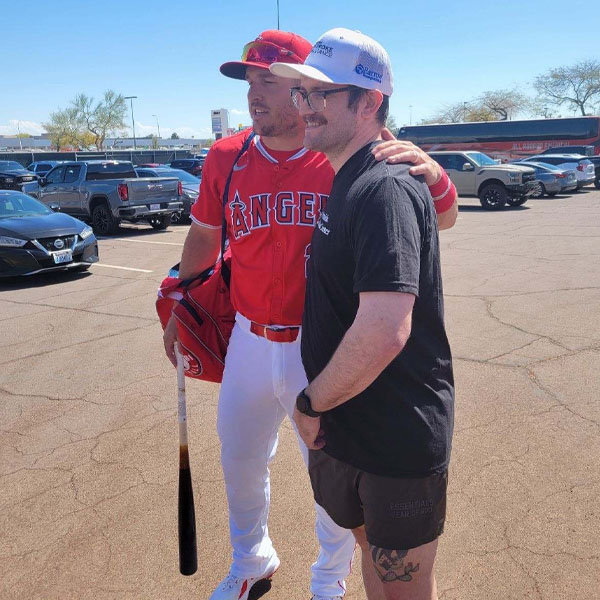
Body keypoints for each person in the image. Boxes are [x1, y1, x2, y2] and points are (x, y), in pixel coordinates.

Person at [163, 29, 457, 600]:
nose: (257, 93)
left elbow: (438, 218)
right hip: (249, 335)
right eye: (251, 81)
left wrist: (431, 169)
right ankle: (252, 561)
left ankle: (329, 578)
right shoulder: (228, 155)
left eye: (270, 80)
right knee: (240, 459)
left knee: (332, 476)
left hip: (323, 344)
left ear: (303, 87)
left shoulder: (349, 156)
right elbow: (204, 234)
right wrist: (183, 297)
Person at [271, 28, 455, 600]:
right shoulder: (346, 178)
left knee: (400, 586)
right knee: (372, 569)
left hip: (392, 438)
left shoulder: (383, 188)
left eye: (322, 94)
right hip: (346, 431)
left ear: (370, 101)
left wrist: (309, 403)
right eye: (302, 93)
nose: (306, 107)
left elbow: (384, 330)